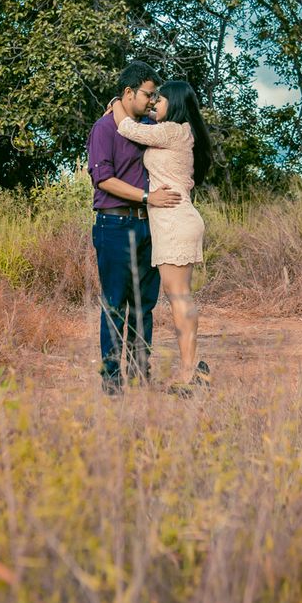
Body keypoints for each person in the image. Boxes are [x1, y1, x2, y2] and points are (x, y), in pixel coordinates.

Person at [110, 78, 212, 394]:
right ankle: (193, 368)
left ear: (176, 103)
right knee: (179, 295)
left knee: (179, 296)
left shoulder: (172, 130)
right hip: (173, 219)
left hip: (174, 219)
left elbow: (129, 129)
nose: (156, 104)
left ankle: (190, 373)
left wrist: (116, 105)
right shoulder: (179, 132)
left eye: (161, 100)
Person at [86, 62, 182, 395]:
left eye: (155, 95)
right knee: (114, 303)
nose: (153, 101)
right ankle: (112, 380)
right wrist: (147, 196)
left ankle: (141, 373)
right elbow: (104, 179)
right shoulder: (104, 129)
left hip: (148, 226)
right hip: (114, 224)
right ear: (128, 93)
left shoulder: (146, 127)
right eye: (147, 94)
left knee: (144, 305)